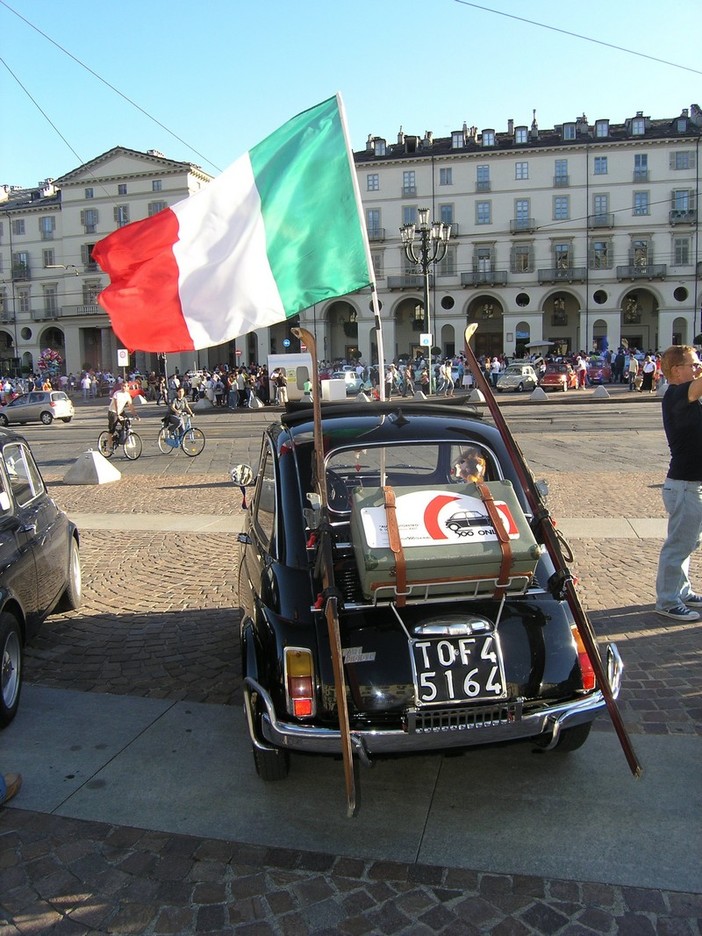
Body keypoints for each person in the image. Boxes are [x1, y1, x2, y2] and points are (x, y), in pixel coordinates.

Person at [654, 345, 702, 621]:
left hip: (691, 485)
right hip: (684, 486)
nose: (697, 368)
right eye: (693, 364)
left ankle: (681, 591)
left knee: (688, 544)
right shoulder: (676, 394)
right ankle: (668, 600)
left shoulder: (689, 397)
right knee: (677, 546)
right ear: (676, 370)